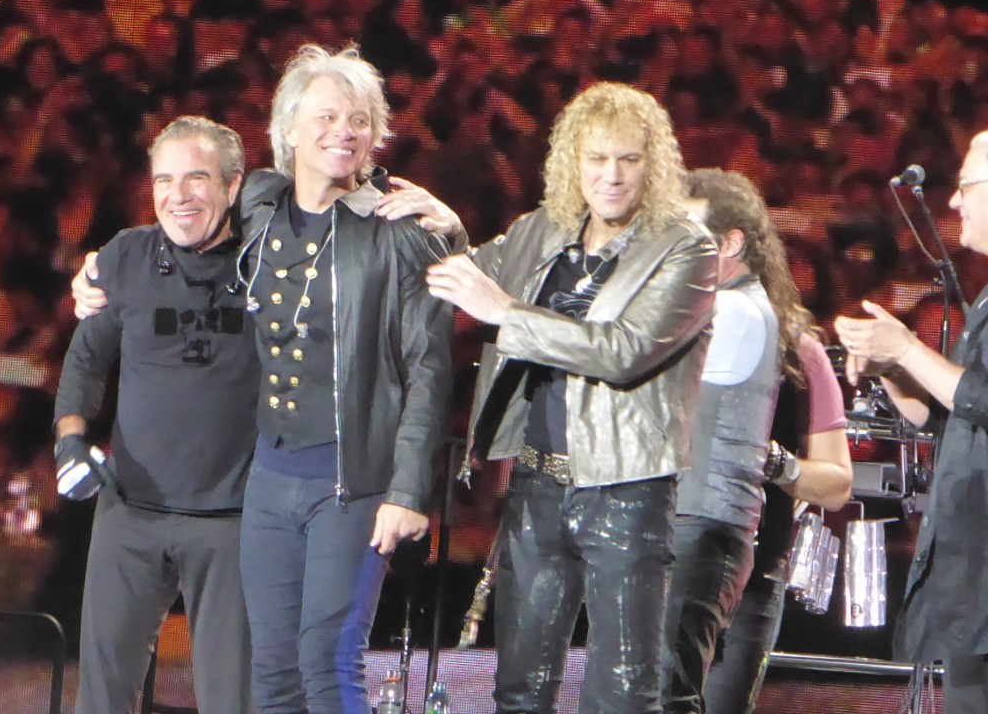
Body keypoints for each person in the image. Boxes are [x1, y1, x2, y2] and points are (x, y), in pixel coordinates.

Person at [71, 45, 455, 714]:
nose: (343, 131)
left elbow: (430, 365)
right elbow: (183, 218)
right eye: (327, 116)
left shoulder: (398, 229)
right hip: (271, 480)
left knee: (327, 663)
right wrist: (100, 266)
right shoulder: (259, 204)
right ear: (290, 129)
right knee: (272, 678)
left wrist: (409, 488)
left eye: (359, 120)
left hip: (350, 477)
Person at [400, 81, 718, 713]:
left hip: (627, 489)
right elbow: (473, 274)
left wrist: (507, 314)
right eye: (597, 158)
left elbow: (622, 350)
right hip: (537, 483)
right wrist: (446, 229)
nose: (612, 175)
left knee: (623, 696)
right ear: (573, 161)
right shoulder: (544, 229)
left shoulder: (685, 247)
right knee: (519, 688)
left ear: (653, 165)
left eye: (628, 159)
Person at [54, 115, 256, 714]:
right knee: (102, 696)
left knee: (232, 700)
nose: (178, 195)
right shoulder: (125, 256)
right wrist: (69, 442)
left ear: (233, 185)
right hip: (130, 515)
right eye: (164, 180)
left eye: (197, 178)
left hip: (233, 521)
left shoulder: (270, 262)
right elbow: (85, 362)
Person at [835, 130, 988, 714]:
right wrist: (893, 371)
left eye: (967, 186)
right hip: (968, 591)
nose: (954, 201)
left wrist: (906, 348)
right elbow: (950, 418)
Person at [658, 168, 783, 714]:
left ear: (730, 243)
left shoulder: (734, 310)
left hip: (702, 525)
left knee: (665, 694)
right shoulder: (725, 305)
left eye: (688, 233)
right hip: (692, 523)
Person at [703, 297, 852, 708]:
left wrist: (771, 460)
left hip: (747, 574)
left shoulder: (797, 351)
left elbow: (836, 485)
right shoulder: (663, 330)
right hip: (655, 560)